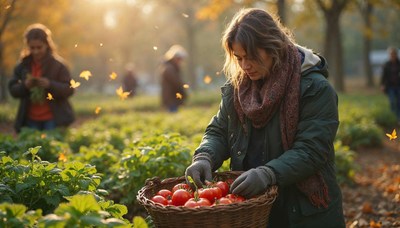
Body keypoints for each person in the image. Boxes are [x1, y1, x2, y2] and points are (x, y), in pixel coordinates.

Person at [185, 8, 345, 227]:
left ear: (273, 47)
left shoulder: (315, 89)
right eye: (239, 58)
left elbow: (312, 150)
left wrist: (269, 173)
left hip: (302, 211)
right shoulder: (238, 88)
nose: (244, 66)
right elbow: (220, 130)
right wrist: (204, 156)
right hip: (253, 207)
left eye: (251, 57)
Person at [8, 23, 75, 133]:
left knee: (50, 148)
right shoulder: (22, 65)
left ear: (47, 45)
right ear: (27, 46)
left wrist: (50, 84)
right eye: (32, 48)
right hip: (29, 120)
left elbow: (69, 89)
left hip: (53, 120)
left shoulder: (58, 65)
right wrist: (25, 85)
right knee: (32, 149)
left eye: (39, 47)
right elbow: (12, 90)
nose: (35, 51)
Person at [159, 44, 187, 112]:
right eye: (179, 59)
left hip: (172, 100)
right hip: (171, 100)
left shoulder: (170, 68)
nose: (181, 61)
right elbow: (177, 84)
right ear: (175, 58)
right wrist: (184, 93)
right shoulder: (169, 69)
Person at [380, 47, 400, 123]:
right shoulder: (386, 64)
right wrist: (382, 85)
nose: (392, 55)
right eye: (391, 54)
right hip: (390, 86)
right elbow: (383, 76)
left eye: (394, 54)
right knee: (392, 101)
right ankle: (392, 117)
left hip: (398, 85)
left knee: (399, 102)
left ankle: (398, 118)